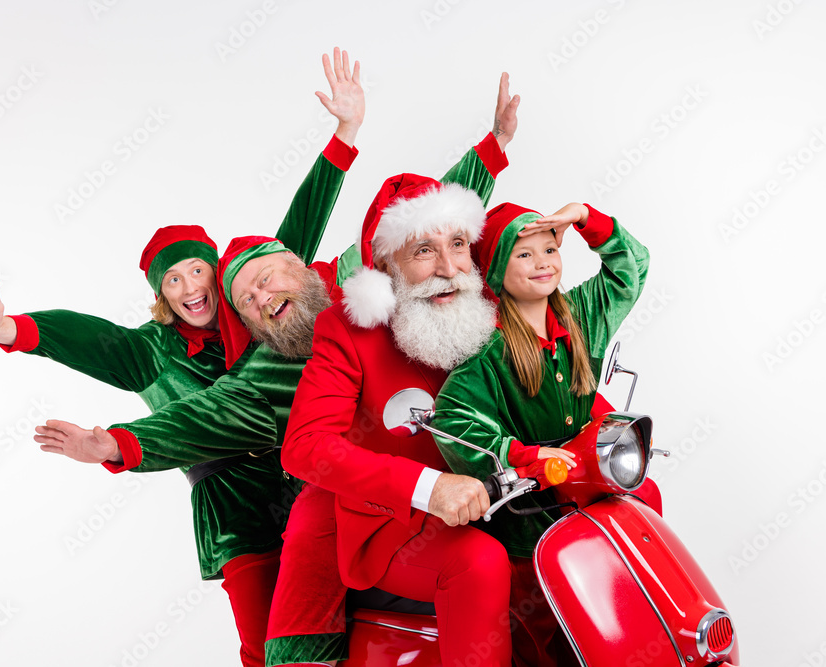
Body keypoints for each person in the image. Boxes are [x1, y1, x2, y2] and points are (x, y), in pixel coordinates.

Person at [38, 74, 520, 667]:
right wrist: (114, 441)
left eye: (266, 278)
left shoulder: (352, 282)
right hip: (308, 497)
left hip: (442, 470)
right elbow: (192, 415)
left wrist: (491, 149)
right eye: (247, 299)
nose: (262, 296)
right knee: (287, 609)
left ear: (299, 267)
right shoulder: (261, 367)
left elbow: (425, 227)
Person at [0, 48, 365, 667]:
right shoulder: (146, 352)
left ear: (219, 275)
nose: (188, 287)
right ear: (161, 297)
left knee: (351, 623)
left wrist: (344, 136)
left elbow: (295, 234)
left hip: (311, 478)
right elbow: (81, 334)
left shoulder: (254, 310)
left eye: (195, 270)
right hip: (237, 512)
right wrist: (8, 327)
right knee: (267, 648)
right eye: (170, 281)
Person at [280, 171, 522, 667]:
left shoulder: (491, 310)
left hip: (516, 498)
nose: (450, 267)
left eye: (457, 243)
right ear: (387, 267)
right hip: (399, 525)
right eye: (423, 251)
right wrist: (429, 486)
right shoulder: (349, 331)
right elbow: (306, 446)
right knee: (478, 564)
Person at [430, 201, 650, 665]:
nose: (543, 262)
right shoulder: (488, 350)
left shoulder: (582, 315)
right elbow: (451, 415)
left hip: (594, 493)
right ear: (495, 269)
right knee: (550, 636)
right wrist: (517, 454)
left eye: (550, 248)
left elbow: (631, 268)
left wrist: (588, 219)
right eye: (524, 255)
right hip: (530, 515)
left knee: (629, 597)